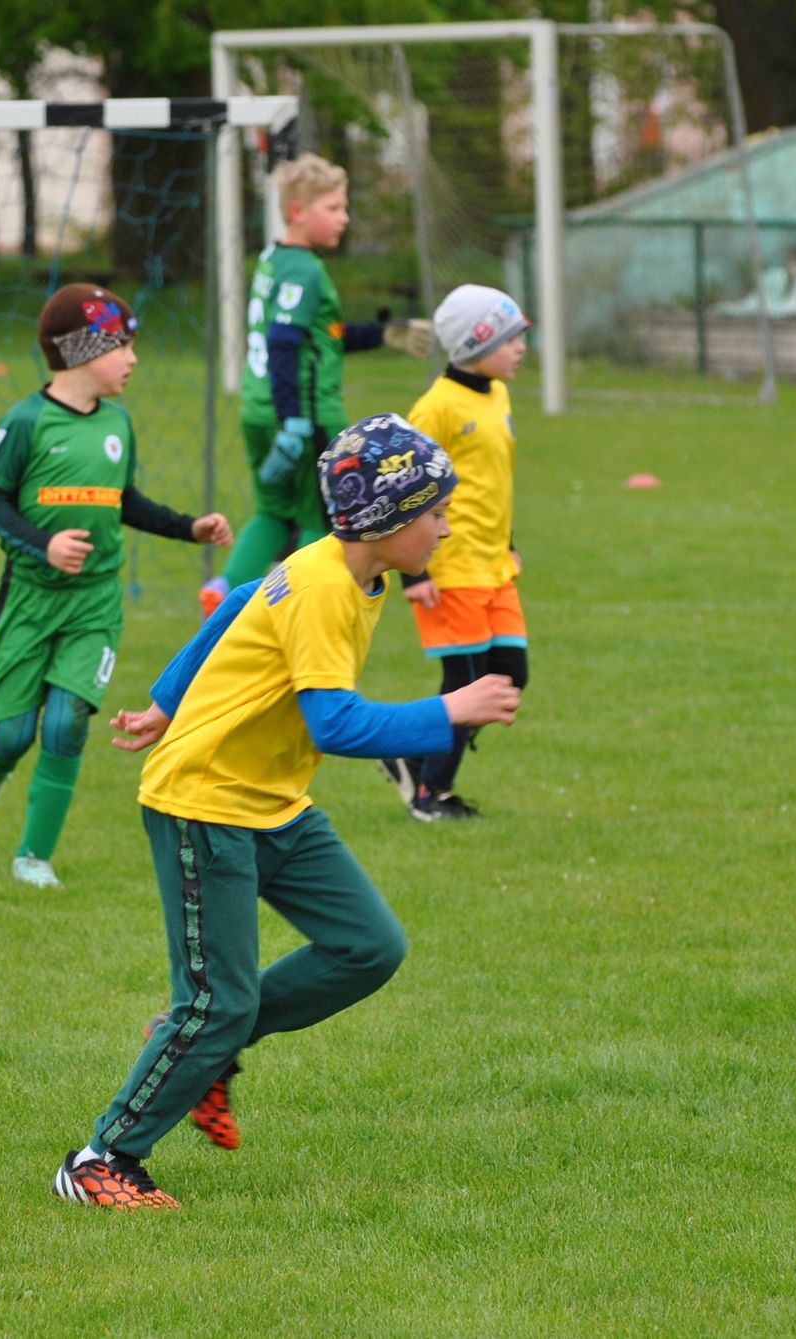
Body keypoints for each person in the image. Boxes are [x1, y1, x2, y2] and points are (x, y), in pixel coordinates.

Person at [51, 415, 520, 1210]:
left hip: (272, 802)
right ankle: (101, 1159)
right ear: (389, 518)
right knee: (218, 1002)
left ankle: (205, 1047)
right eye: (437, 512)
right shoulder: (325, 587)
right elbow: (334, 724)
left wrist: (166, 700)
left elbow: (239, 601)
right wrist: (450, 710)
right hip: (205, 802)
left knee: (368, 946)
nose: (446, 526)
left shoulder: (342, 569)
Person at [0, 283, 233, 889]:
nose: (133, 359)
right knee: (10, 734)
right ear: (82, 351)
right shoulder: (26, 422)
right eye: (121, 347)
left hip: (95, 601)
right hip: (29, 599)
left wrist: (189, 527)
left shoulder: (118, 424)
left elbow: (123, 501)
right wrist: (45, 544)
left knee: (65, 724)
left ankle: (33, 857)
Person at [199, 154, 432, 616]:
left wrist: (380, 334)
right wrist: (294, 422)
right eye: (333, 208)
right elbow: (285, 343)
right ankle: (299, 611)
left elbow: (320, 337)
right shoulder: (305, 270)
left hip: (257, 409)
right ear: (297, 211)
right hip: (305, 417)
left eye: (344, 207)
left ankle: (223, 593)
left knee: (272, 511)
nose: (344, 218)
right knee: (319, 516)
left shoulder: (273, 259)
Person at [379, 285, 531, 821]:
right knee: (468, 685)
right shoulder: (436, 407)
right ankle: (431, 796)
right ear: (476, 342)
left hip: (494, 566)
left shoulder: (498, 394)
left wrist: (507, 543)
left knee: (509, 676)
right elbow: (403, 487)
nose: (521, 348)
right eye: (510, 339)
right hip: (448, 568)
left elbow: (491, 482)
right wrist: (412, 574)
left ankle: (409, 757)